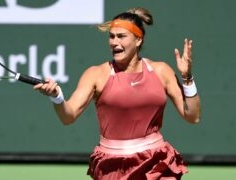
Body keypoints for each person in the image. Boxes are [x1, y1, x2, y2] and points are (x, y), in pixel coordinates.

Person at [34, 7, 201, 180]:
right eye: (112, 36)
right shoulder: (96, 74)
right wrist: (57, 96)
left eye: (121, 36)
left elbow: (192, 116)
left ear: (138, 40)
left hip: (155, 162)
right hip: (112, 166)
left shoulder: (161, 71)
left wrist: (187, 77)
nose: (114, 42)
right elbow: (68, 116)